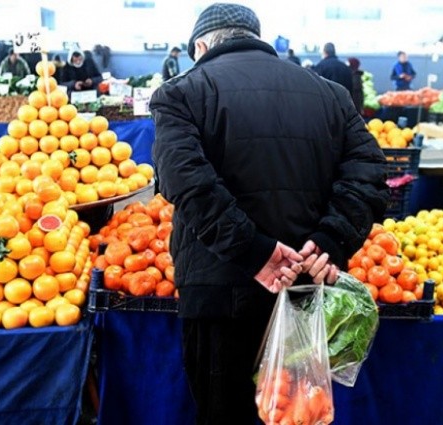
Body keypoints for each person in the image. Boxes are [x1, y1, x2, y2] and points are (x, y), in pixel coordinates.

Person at [149, 3, 389, 423]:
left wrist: (253, 251)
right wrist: (331, 241)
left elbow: (185, 181)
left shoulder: (181, 92)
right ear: (256, 38)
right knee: (295, 413)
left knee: (224, 410)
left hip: (219, 295)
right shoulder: (329, 94)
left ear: (201, 45)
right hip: (305, 294)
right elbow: (369, 172)